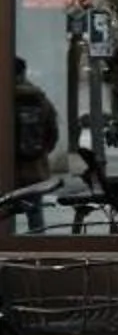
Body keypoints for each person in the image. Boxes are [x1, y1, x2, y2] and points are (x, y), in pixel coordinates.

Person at [12, 57, 59, 232]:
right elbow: (52, 134)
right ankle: (38, 253)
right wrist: (40, 154)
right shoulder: (39, 99)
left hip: (5, 170)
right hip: (34, 168)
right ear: (23, 73)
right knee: (35, 215)